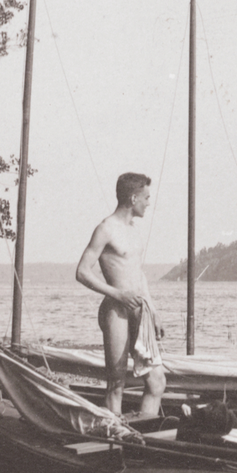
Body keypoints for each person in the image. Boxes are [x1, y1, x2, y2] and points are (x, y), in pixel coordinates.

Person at [76, 172, 167, 417]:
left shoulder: (135, 231)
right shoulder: (106, 228)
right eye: (146, 197)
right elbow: (82, 272)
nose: (149, 203)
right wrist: (117, 294)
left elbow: (138, 274)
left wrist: (154, 310)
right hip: (116, 310)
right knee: (116, 383)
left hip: (140, 309)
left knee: (156, 382)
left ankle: (143, 440)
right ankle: (114, 441)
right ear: (133, 197)